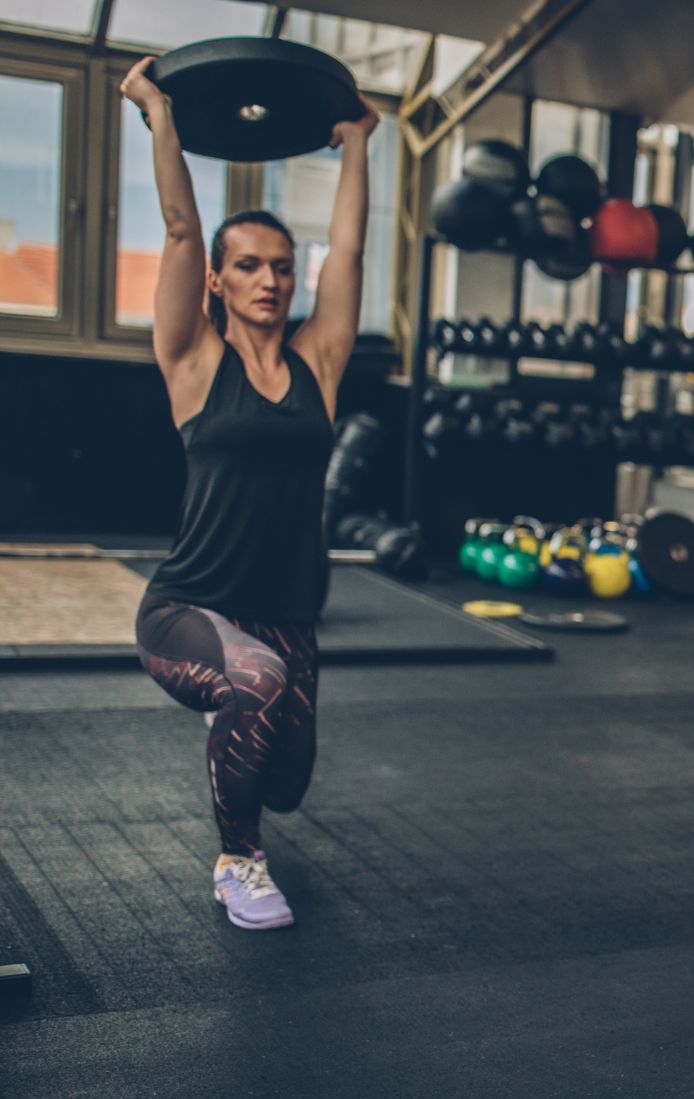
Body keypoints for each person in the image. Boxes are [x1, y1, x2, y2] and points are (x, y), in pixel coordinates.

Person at [120, 57, 376, 930]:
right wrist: (160, 115)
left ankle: (240, 714)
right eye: (250, 267)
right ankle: (238, 862)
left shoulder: (318, 365)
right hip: (189, 605)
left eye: (281, 266)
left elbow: (348, 250)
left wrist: (358, 146)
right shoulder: (194, 362)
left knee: (291, 780)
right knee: (256, 684)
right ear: (220, 284)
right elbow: (182, 232)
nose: (270, 279)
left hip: (287, 611)